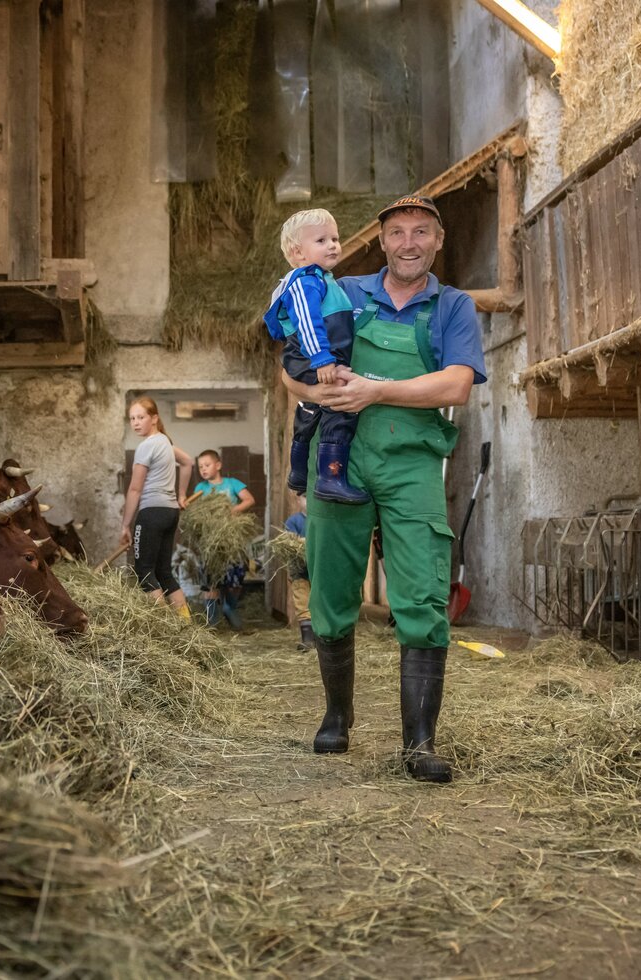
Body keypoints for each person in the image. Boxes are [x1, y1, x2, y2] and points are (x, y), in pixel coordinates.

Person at [280, 194, 485, 784]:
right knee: (332, 590)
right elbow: (289, 363)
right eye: (397, 232)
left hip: (412, 463)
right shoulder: (339, 290)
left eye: (422, 231)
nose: (410, 242)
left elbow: (456, 385)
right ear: (383, 241)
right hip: (337, 459)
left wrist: (374, 390)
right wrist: (316, 394)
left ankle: (419, 744)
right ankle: (336, 715)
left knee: (421, 592)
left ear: (437, 241)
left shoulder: (453, 307)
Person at [264, 208, 369, 504]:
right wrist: (322, 359)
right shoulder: (306, 281)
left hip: (316, 353)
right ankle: (331, 478)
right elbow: (308, 322)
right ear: (298, 252)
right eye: (322, 240)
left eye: (335, 238)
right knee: (341, 405)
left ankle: (298, 473)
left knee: (312, 406)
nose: (333, 245)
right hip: (313, 353)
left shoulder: (323, 279)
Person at [120, 396, 194, 619]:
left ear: (154, 418)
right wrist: (180, 495)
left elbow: (135, 489)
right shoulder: (165, 442)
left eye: (141, 417)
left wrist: (125, 525)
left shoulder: (146, 447)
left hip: (151, 513)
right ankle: (186, 625)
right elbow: (189, 462)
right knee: (163, 572)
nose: (135, 422)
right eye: (132, 418)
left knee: (144, 572)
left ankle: (165, 628)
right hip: (170, 512)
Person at [192, 450, 255, 629]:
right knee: (210, 581)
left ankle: (230, 607)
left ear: (218, 465)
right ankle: (213, 622)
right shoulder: (200, 489)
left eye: (207, 465)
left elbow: (249, 500)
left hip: (232, 541)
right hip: (210, 543)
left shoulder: (232, 483)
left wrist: (231, 512)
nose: (203, 469)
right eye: (200, 467)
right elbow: (194, 510)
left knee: (235, 579)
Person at [284, 493, 312, 651]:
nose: (308, 501)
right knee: (302, 601)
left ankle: (322, 638)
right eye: (305, 497)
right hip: (300, 570)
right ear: (298, 500)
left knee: (320, 602)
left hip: (319, 571)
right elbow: (289, 541)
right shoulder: (293, 521)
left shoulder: (321, 522)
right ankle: (307, 639)